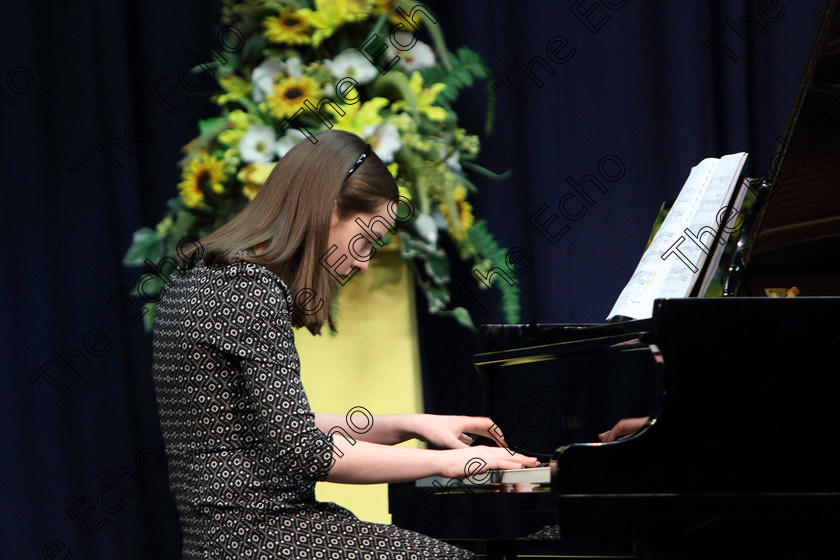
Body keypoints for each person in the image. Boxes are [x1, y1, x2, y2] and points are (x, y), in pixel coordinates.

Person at [151, 129, 537, 559]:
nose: (364, 261)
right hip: (263, 537)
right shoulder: (251, 288)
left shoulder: (200, 274)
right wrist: (451, 463)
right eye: (367, 238)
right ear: (331, 207)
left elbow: (276, 427)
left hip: (229, 538)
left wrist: (410, 424)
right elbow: (305, 451)